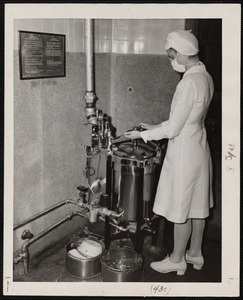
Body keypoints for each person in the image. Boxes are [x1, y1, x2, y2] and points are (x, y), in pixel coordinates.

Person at [124, 29, 214, 276]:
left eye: (172, 55)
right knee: (197, 206)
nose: (171, 60)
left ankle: (176, 260)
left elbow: (174, 128)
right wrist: (153, 127)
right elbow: (186, 120)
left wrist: (141, 135)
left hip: (184, 152)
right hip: (198, 146)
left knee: (180, 209)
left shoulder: (188, 83)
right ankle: (195, 253)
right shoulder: (205, 76)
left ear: (183, 54)